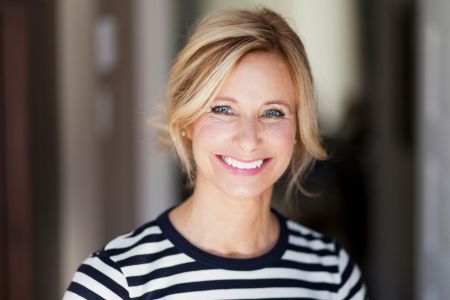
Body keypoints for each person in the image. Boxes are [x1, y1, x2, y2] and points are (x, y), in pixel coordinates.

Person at [64, 7, 367, 299]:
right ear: (186, 121)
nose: (249, 139)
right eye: (223, 109)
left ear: (298, 129)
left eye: (273, 112)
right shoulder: (114, 282)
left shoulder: (332, 274)